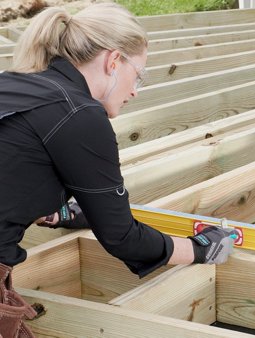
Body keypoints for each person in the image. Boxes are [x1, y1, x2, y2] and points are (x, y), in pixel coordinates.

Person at [0, 4, 234, 336]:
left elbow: (15, 168)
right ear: (113, 61)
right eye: (138, 74)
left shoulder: (13, 83)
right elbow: (123, 237)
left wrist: (55, 212)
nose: (136, 90)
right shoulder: (80, 115)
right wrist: (200, 248)